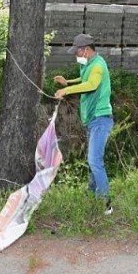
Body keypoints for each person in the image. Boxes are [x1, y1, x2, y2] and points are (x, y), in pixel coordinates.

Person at [53, 33, 115, 215]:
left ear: (86, 50)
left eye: (77, 52)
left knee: (95, 161)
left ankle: (106, 204)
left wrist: (66, 90)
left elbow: (91, 85)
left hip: (101, 119)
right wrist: (68, 81)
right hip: (93, 120)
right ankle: (92, 195)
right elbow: (84, 79)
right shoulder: (89, 64)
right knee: (93, 160)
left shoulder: (98, 66)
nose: (75, 55)